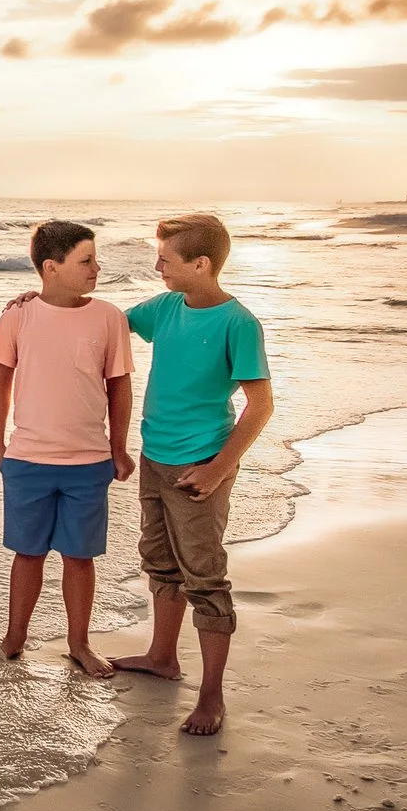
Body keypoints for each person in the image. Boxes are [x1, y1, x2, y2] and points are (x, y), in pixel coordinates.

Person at [107, 212, 275, 736]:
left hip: (199, 466)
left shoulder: (237, 323)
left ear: (201, 264)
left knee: (204, 576)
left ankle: (211, 696)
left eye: (166, 259)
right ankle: (162, 657)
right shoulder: (166, 308)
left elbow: (260, 404)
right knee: (158, 560)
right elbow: (109, 322)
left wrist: (220, 469)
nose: (157, 267)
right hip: (155, 458)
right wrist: (43, 301)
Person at [0, 220, 134, 676]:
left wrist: (119, 448)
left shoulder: (108, 316)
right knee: (26, 554)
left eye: (94, 259)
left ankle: (79, 643)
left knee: (79, 556)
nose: (96, 267)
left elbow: (120, 387)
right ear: (51, 267)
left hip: (88, 462)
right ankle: (14, 637)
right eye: (86, 260)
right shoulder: (18, 315)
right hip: (27, 460)